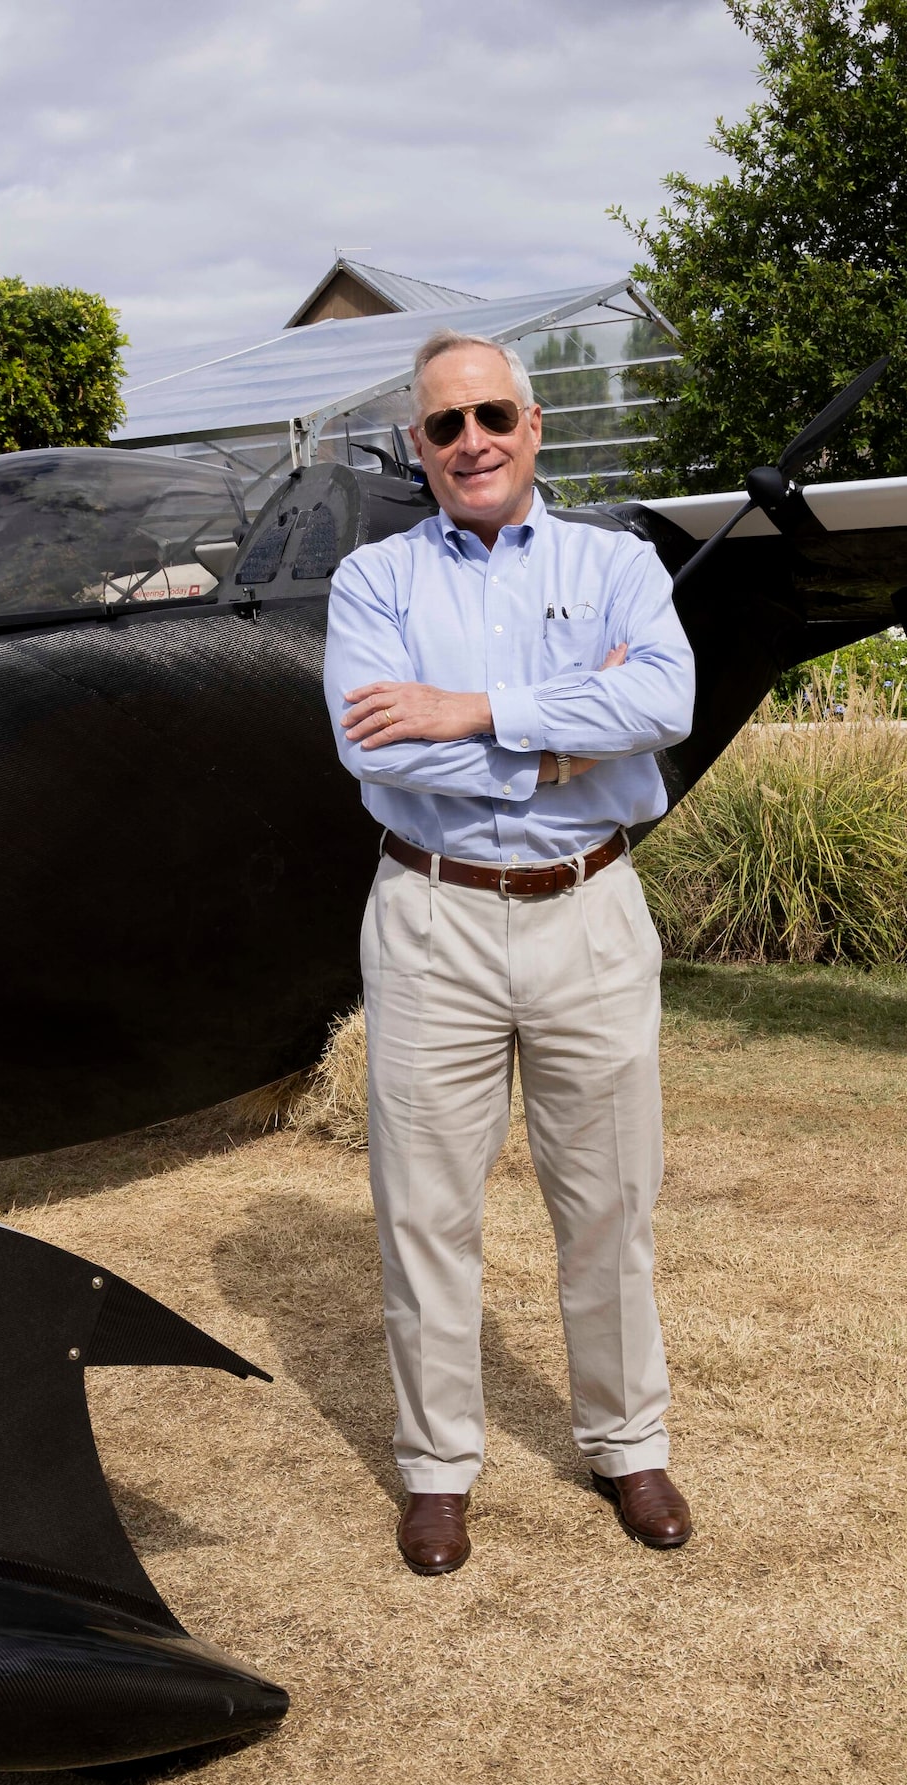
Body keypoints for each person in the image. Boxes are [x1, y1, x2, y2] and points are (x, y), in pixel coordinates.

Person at [323, 330, 699, 1576]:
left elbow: (664, 703)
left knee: (609, 1198)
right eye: (444, 426)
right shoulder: (373, 585)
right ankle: (437, 1470)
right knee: (425, 1209)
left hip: (590, 908)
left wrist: (479, 710)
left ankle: (626, 1444)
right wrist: (569, 734)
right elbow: (377, 746)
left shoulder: (618, 563)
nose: (471, 442)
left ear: (535, 426)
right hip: (432, 918)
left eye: (492, 416)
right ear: (419, 449)